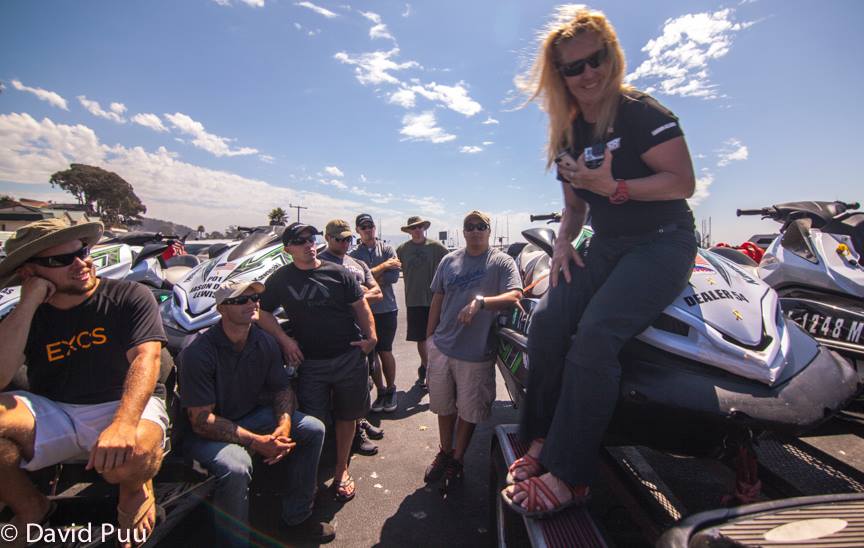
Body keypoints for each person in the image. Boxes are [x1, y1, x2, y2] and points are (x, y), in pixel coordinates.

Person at [502, 5, 698, 517]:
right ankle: (542, 436)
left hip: (662, 241)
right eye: (574, 67)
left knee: (595, 334)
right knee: (547, 321)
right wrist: (563, 243)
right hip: (606, 243)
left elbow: (682, 182)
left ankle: (570, 474)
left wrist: (616, 187)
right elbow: (574, 209)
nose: (589, 73)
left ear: (612, 56)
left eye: (597, 59)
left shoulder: (641, 112)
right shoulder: (569, 134)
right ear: (560, 75)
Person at [0, 219, 169, 547]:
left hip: (123, 402)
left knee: (133, 453)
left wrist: (123, 424)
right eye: (61, 260)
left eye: (83, 252)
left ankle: (134, 487)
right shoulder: (25, 315)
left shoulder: (128, 295)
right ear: (29, 272)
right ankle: (31, 506)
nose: (81, 263)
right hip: (57, 409)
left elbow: (146, 358)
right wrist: (29, 302)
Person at [178, 280, 332, 545]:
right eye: (241, 300)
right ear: (222, 309)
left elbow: (281, 389)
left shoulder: (264, 341)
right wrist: (257, 442)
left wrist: (283, 426)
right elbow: (201, 421)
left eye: (255, 299)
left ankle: (297, 516)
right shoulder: (198, 352)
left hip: (251, 416)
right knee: (236, 466)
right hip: (206, 433)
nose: (251, 304)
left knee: (313, 429)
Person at [257, 222, 377, 504]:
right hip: (310, 363)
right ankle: (309, 478)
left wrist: (371, 338)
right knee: (315, 422)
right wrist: (285, 341)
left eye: (311, 239)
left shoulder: (338, 273)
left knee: (348, 416)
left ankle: (341, 470)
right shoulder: (281, 279)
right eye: (300, 241)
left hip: (348, 356)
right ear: (288, 249)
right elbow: (261, 312)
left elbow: (360, 305)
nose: (309, 245)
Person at [424, 211, 522, 486]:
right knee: (444, 407)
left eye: (481, 226)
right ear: (464, 231)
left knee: (469, 411)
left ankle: (457, 459)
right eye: (470, 226)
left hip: (476, 354)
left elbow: (516, 294)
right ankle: (445, 452)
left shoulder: (501, 262)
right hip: (442, 347)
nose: (476, 230)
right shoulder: (448, 260)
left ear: (489, 231)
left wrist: (480, 302)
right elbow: (438, 298)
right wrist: (429, 338)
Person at [319, 219, 384, 456]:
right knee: (341, 391)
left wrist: (355, 298)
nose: (345, 243)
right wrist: (359, 294)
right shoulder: (320, 263)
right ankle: (354, 434)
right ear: (328, 238)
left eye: (349, 239)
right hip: (337, 335)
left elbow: (378, 292)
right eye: (340, 239)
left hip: (362, 332)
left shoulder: (358, 263)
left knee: (363, 384)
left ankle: (360, 421)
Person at [349, 213, 401, 413]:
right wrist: (383, 266)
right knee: (372, 353)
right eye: (363, 227)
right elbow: (355, 282)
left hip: (387, 309)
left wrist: (370, 276)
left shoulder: (387, 249)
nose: (368, 230)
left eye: (370, 226)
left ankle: (391, 389)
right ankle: (380, 391)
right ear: (358, 230)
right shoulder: (353, 254)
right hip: (364, 311)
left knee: (385, 350)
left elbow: (393, 277)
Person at [395, 216, 448, 386]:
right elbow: (392, 268)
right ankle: (427, 368)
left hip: (435, 299)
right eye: (413, 228)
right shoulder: (402, 249)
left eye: (420, 227)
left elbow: (452, 262)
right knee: (421, 338)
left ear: (424, 228)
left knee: (437, 337)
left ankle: (435, 369)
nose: (417, 230)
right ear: (409, 231)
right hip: (414, 300)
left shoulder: (436, 247)